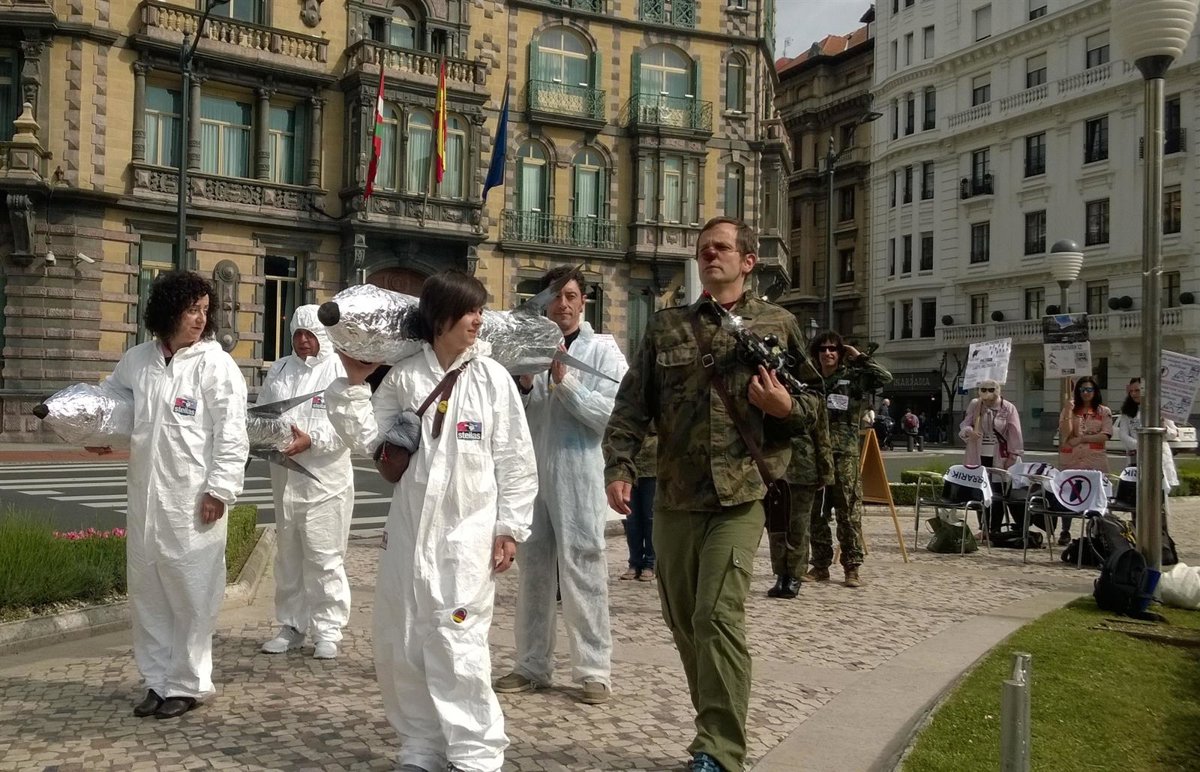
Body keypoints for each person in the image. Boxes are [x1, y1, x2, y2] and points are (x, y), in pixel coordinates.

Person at [603, 217, 820, 772]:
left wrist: (785, 407)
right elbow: (632, 405)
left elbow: (817, 404)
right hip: (675, 496)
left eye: (721, 248)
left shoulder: (779, 325)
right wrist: (619, 466)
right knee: (683, 622)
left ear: (748, 261)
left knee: (716, 617)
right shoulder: (666, 327)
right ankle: (713, 726)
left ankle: (718, 750)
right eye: (703, 249)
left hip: (739, 496)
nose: (709, 256)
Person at [325, 271, 538, 772]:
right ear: (441, 318)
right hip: (409, 535)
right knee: (404, 641)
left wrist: (510, 527)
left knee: (458, 642)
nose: (478, 321)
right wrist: (353, 384)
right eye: (470, 312)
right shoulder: (405, 377)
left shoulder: (492, 379)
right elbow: (369, 440)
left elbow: (515, 458)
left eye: (481, 311)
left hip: (468, 538)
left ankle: (475, 754)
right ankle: (420, 746)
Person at [91, 270, 248, 719]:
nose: (200, 319)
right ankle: (157, 681)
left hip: (193, 500)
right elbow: (112, 404)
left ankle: (188, 683)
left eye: (204, 310)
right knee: (148, 593)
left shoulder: (215, 365)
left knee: (192, 592)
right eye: (191, 309)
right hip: (145, 498)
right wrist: (97, 431)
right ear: (167, 311)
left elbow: (232, 434)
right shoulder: (137, 360)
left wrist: (220, 489)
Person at [494, 265, 628, 706]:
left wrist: (565, 383)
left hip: (579, 472)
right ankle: (531, 664)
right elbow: (511, 418)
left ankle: (594, 669)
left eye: (571, 295)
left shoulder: (603, 351)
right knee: (533, 572)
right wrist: (525, 384)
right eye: (555, 296)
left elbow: (611, 416)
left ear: (583, 301)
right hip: (533, 474)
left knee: (583, 568)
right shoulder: (528, 349)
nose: (563, 304)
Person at [258, 305, 354, 660]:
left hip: (325, 481)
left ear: (322, 336)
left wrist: (313, 439)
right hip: (285, 476)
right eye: (297, 334)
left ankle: (327, 630)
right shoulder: (281, 369)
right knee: (289, 557)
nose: (302, 340)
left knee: (324, 556)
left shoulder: (340, 370)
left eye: (309, 334)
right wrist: (263, 436)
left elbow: (349, 426)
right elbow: (264, 411)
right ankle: (292, 626)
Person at [805, 331, 893, 588]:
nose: (828, 353)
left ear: (840, 352)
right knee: (816, 514)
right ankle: (820, 565)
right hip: (816, 455)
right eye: (823, 349)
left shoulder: (853, 378)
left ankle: (852, 567)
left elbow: (885, 378)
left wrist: (859, 357)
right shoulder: (810, 380)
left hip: (844, 455)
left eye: (833, 349)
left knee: (848, 511)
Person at [769, 394, 835, 598]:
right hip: (775, 468)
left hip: (803, 470)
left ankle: (795, 576)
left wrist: (826, 471)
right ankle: (781, 574)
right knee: (777, 527)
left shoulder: (811, 394)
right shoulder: (771, 388)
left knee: (798, 527)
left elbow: (822, 435)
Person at [959, 380, 1025, 536]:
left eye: (991, 389)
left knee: (997, 493)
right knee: (981, 492)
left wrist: (1013, 455)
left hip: (1001, 456)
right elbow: (965, 423)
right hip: (979, 454)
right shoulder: (976, 405)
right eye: (983, 389)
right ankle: (984, 528)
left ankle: (994, 528)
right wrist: (969, 431)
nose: (987, 393)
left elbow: (1015, 433)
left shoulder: (1008, 408)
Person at [1056, 375, 1114, 546]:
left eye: (1089, 389)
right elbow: (1065, 433)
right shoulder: (1070, 410)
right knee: (1069, 493)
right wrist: (1068, 410)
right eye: (1082, 390)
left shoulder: (1103, 411)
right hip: (1072, 459)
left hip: (1094, 459)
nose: (1086, 393)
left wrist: (1082, 439)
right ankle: (1065, 530)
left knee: (1096, 495)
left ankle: (1097, 530)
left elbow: (1106, 434)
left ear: (1095, 391)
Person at [1119, 377, 1179, 490]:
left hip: (1159, 454)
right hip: (1137, 455)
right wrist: (1142, 446)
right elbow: (1123, 435)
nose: (1133, 394)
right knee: (1139, 489)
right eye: (1131, 391)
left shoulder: (1160, 409)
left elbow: (1174, 433)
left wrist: (1164, 427)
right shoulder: (1127, 412)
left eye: (1137, 390)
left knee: (1160, 491)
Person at [621, 432, 658, 582]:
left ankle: (650, 563)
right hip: (630, 469)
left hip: (652, 467)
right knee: (632, 519)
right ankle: (634, 563)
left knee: (650, 518)